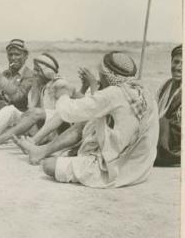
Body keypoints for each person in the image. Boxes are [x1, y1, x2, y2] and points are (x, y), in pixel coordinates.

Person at [41, 51, 159, 188]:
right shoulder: (145, 92)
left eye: (101, 75)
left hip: (117, 171)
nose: (99, 78)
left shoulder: (114, 93)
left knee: (48, 165)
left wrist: (63, 95)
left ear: (107, 76)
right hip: (141, 169)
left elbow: (69, 113)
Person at [0, 53, 66, 150]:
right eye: (10, 54)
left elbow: (17, 97)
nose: (13, 58)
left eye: (38, 70)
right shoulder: (9, 74)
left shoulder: (53, 83)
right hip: (31, 120)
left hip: (50, 126)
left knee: (19, 111)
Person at [154, 44, 181, 166]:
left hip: (175, 144)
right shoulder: (166, 85)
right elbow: (153, 109)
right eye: (175, 62)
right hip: (160, 135)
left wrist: (161, 123)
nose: (178, 67)